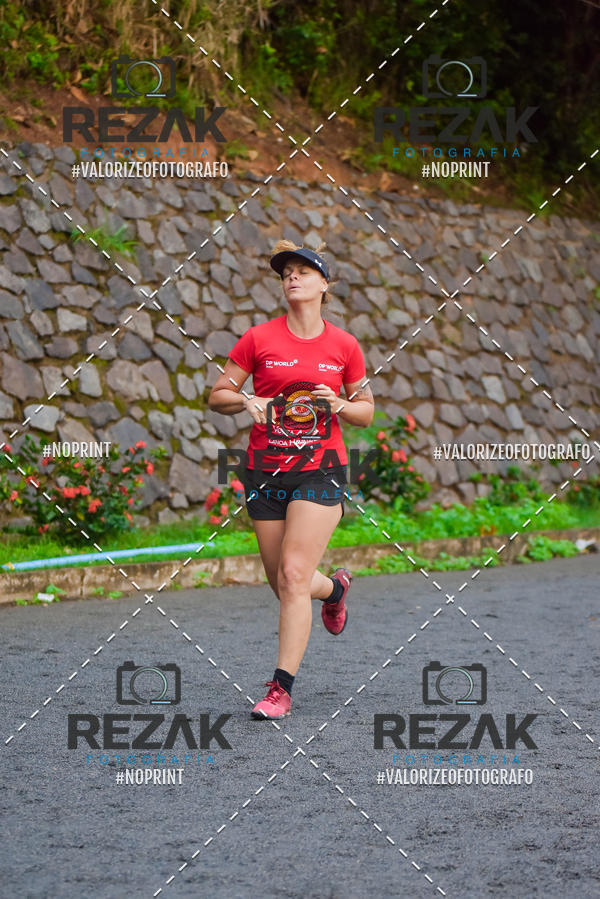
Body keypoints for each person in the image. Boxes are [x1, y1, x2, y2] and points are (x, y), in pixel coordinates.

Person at [208, 239, 374, 719]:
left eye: (302, 271)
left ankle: (280, 689)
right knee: (283, 583)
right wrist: (246, 400)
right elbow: (217, 395)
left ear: (324, 284)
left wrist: (339, 404)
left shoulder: (344, 346)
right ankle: (335, 591)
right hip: (265, 471)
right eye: (286, 274)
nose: (292, 278)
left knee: (295, 574)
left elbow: (366, 410)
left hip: (320, 469)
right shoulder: (258, 339)